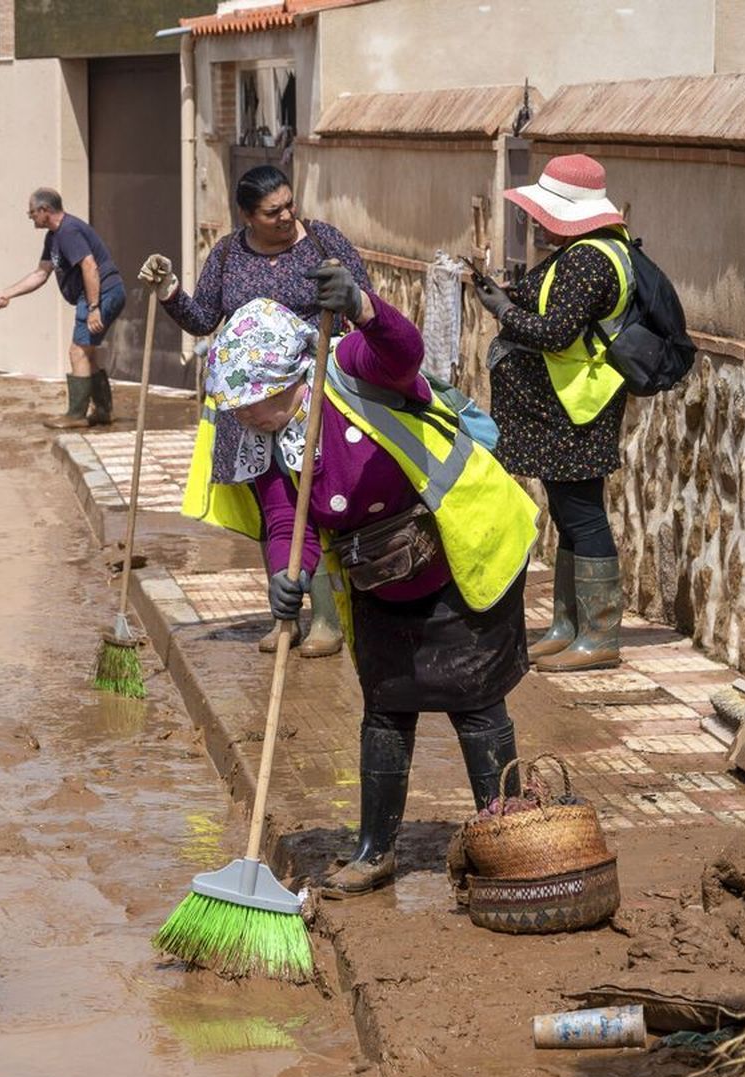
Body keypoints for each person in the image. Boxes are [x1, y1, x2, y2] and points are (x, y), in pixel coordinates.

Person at [203, 281, 539, 898]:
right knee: (386, 705)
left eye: (253, 399)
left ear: (287, 377)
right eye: (238, 404)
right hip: (378, 570)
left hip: (459, 545)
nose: (244, 413)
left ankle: (509, 841)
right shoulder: (267, 439)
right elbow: (287, 520)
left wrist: (362, 305)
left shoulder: (349, 369)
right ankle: (375, 850)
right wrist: (287, 575)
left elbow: (402, 351)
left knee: (475, 700)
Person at [140, 164, 372, 659]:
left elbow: (364, 301)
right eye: (273, 212)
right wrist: (169, 293)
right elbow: (203, 319)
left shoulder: (321, 242)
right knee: (276, 509)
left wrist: (347, 303)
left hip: (310, 400)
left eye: (290, 204)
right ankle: (284, 619)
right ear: (247, 215)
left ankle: (329, 621)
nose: (288, 216)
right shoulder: (227, 253)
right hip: (250, 410)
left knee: (318, 502)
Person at [474, 154, 633, 672]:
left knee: (583, 515)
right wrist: (500, 292)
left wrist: (502, 311)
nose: (535, 220)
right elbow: (541, 296)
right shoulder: (579, 252)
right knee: (568, 513)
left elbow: (554, 331)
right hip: (564, 408)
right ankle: (569, 626)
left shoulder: (590, 259)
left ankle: (600, 635)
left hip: (579, 408)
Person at [0, 187, 126, 429]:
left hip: (101, 292)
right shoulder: (53, 237)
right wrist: (7, 294)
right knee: (87, 352)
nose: (30, 216)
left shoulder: (68, 231)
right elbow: (41, 274)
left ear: (45, 210)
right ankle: (103, 411)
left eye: (32, 212)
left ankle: (76, 415)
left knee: (78, 352)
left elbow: (89, 266)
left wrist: (94, 307)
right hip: (97, 293)